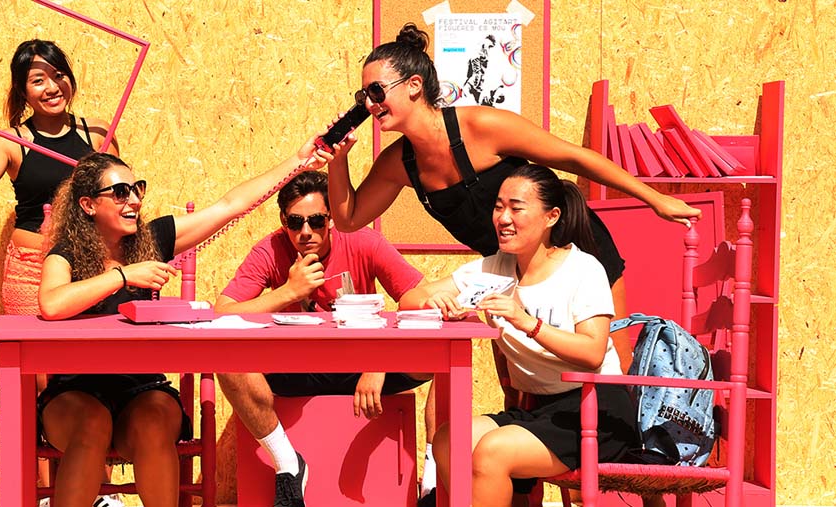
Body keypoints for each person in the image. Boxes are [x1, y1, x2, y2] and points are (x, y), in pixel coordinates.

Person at [325, 22, 701, 377]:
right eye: (363, 97)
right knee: (519, 383)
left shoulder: (482, 127)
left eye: (376, 92)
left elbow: (575, 157)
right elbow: (348, 219)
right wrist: (338, 160)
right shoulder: (399, 162)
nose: (370, 106)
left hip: (575, 252)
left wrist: (655, 199)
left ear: (414, 85)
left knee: (610, 370)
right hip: (508, 274)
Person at [37, 139, 331, 507]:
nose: (134, 201)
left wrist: (298, 163)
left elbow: (229, 206)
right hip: (74, 391)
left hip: (140, 389)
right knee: (91, 424)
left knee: (156, 422)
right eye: (120, 192)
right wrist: (124, 277)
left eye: (137, 189)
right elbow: (51, 303)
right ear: (89, 204)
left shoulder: (151, 239)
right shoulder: (66, 253)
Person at [416, 164, 638, 506]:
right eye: (498, 206)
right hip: (538, 409)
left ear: (551, 217)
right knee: (448, 441)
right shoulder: (493, 268)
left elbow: (593, 353)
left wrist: (526, 321)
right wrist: (436, 301)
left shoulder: (583, 269)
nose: (503, 218)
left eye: (516, 208)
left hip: (596, 408)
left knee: (492, 452)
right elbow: (410, 298)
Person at [214, 169, 435, 506]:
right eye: (295, 222)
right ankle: (288, 465)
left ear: (332, 219)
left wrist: (380, 361)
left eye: (317, 220)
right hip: (296, 369)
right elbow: (223, 313)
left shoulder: (363, 241)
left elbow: (419, 302)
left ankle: (431, 481)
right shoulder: (270, 250)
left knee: (441, 357)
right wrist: (288, 292)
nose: (306, 232)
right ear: (283, 221)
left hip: (364, 366)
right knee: (227, 361)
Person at [0, 38, 119, 316]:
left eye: (59, 76)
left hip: (91, 268)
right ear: (22, 91)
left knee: (89, 358)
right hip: (31, 271)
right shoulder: (11, 142)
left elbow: (119, 201)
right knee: (34, 358)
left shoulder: (99, 134)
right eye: (38, 80)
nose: (52, 88)